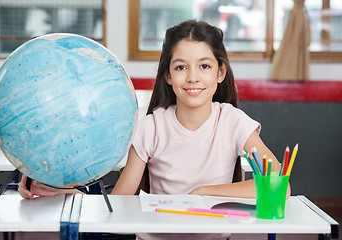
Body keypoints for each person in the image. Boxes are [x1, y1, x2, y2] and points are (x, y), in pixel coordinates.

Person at [18, 19, 290, 239]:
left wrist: (204, 192)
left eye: (204, 66)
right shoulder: (151, 127)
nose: (193, 76)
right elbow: (120, 202)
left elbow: (280, 185)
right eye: (181, 67)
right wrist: (66, 193)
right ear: (168, 76)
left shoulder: (232, 121)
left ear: (220, 73)